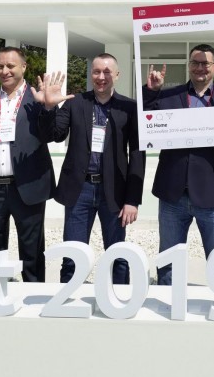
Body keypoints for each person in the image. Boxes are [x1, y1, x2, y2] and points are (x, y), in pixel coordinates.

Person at [144, 44, 214, 284]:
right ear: (189, 66)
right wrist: (151, 91)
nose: (200, 68)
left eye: (205, 63)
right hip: (173, 193)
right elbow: (146, 124)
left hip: (212, 194)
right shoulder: (169, 95)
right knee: (168, 264)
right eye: (195, 63)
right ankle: (168, 309)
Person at [43, 53, 144, 284]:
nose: (101, 77)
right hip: (80, 190)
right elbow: (55, 136)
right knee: (72, 255)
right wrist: (49, 108)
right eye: (96, 71)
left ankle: (121, 298)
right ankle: (68, 303)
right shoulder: (75, 102)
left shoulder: (129, 107)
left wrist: (132, 199)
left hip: (115, 192)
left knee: (118, 254)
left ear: (117, 75)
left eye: (107, 72)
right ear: (91, 75)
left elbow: (138, 154)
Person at [0, 47, 58, 282]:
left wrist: (48, 107)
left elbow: (52, 134)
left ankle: (34, 294)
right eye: (0, 66)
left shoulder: (38, 99)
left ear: (23, 67)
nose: (4, 71)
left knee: (32, 250)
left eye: (10, 66)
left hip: (27, 186)